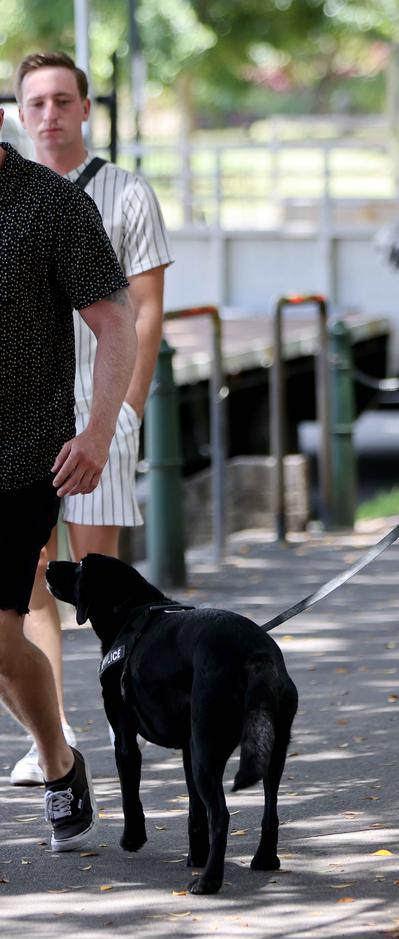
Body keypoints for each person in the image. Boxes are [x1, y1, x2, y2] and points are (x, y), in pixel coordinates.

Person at [9, 52, 173, 786]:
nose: (49, 114)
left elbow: (139, 313)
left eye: (62, 100)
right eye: (36, 102)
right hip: (34, 424)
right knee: (33, 577)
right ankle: (58, 725)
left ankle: (122, 706)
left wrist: (121, 417)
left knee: (94, 579)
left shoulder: (114, 195)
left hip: (92, 407)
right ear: (19, 109)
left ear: (82, 107)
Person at [0, 106, 137, 848]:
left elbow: (117, 320)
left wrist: (98, 430)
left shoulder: (49, 205)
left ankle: (56, 763)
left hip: (19, 462)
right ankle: (59, 760)